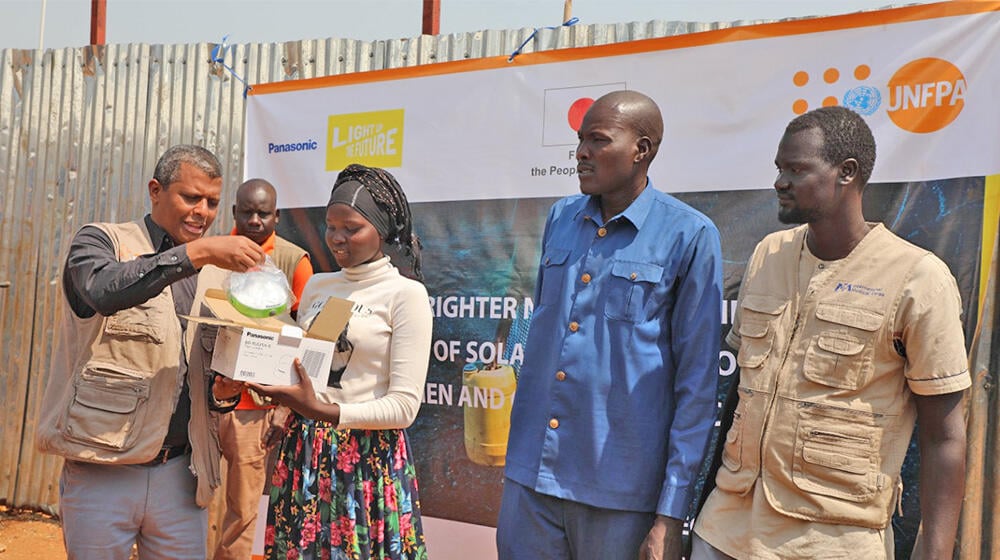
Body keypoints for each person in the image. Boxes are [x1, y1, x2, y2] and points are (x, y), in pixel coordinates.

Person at [691, 106, 970, 560]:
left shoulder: (918, 279)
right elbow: (741, 394)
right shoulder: (769, 254)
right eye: (779, 168)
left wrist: (934, 553)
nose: (780, 181)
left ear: (847, 173)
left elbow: (945, 437)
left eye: (797, 169)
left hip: (830, 542)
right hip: (725, 531)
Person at [497, 90, 723, 560]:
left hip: (620, 494)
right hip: (533, 481)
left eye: (598, 140)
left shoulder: (690, 234)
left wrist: (670, 514)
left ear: (642, 149)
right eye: (580, 140)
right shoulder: (561, 218)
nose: (581, 152)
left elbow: (697, 383)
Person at [35, 144, 267, 560]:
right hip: (103, 469)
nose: (202, 212)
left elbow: (203, 379)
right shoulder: (102, 241)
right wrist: (196, 254)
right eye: (191, 197)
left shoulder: (213, 274)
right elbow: (103, 291)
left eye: (212, 202)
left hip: (181, 477)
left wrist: (226, 390)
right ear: (155, 190)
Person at [249, 163, 432, 560]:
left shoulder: (405, 295)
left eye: (352, 228)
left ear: (381, 229)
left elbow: (404, 407)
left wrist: (325, 411)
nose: (336, 238)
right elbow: (312, 369)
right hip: (306, 456)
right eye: (331, 226)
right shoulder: (319, 285)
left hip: (365, 464)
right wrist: (284, 403)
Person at [212, 178, 314, 560]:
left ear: (277, 216)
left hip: (253, 410)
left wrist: (284, 409)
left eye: (264, 213)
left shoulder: (293, 261)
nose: (255, 220)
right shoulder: (212, 253)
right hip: (205, 402)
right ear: (234, 212)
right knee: (195, 502)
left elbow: (305, 343)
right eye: (247, 212)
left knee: (241, 512)